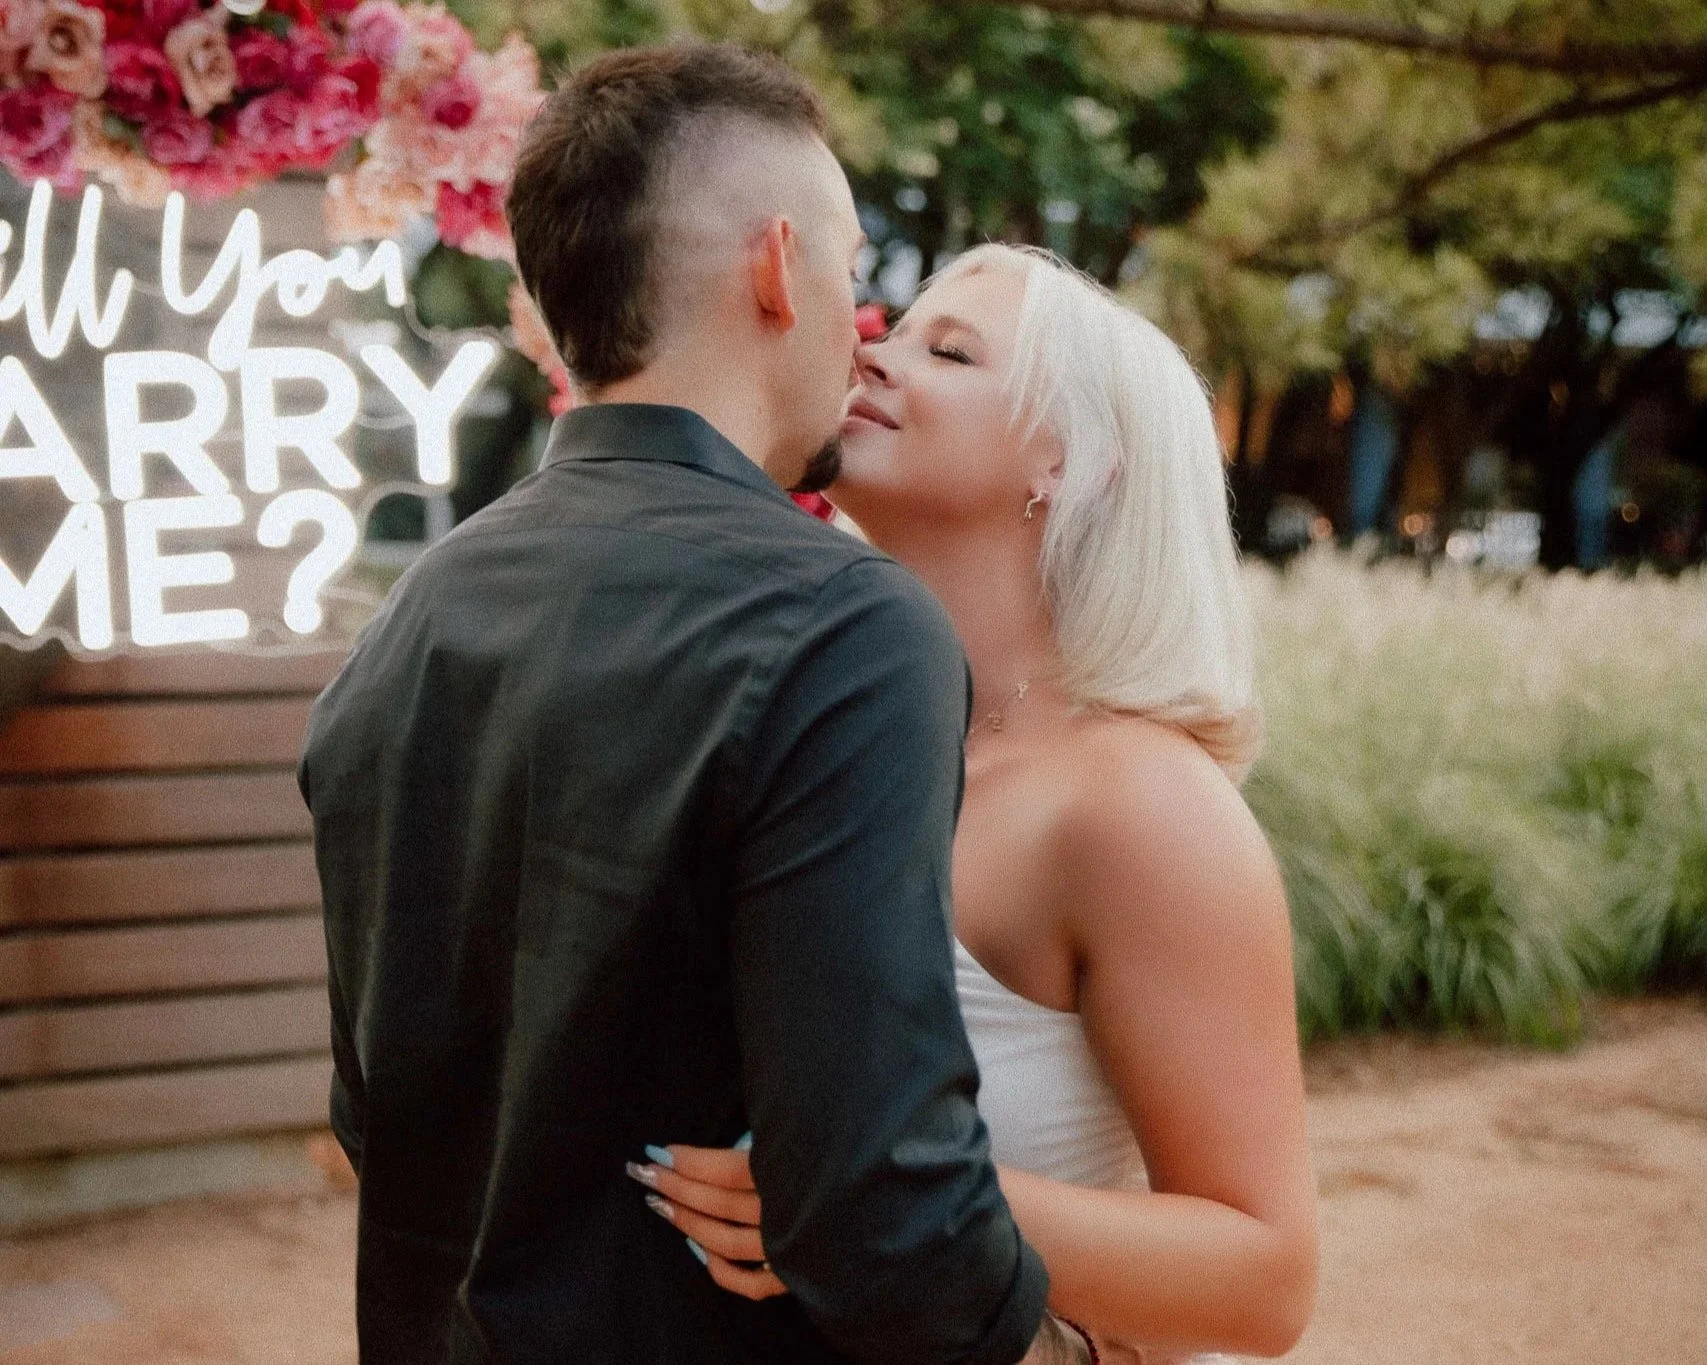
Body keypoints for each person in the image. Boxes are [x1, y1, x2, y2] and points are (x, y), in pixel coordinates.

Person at [298, 46, 1096, 1365]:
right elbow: (880, 1197)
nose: (866, 323)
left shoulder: (401, 629)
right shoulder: (845, 628)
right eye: (854, 272)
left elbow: (377, 1114)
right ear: (779, 267)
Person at [630, 245, 1321, 1361]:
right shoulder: (828, 739)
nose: (872, 354)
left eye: (947, 351)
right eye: (893, 329)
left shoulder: (1138, 804)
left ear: (1072, 462)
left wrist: (861, 1204)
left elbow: (1265, 1279)